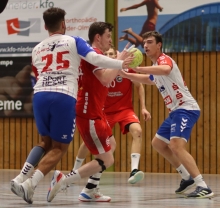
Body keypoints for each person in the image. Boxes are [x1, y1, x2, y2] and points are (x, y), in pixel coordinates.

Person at [10, 7, 133, 204]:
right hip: (63, 95)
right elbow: (94, 59)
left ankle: (20, 179)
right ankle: (31, 184)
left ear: (45, 26)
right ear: (64, 24)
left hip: (40, 95)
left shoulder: (37, 48)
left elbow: (37, 73)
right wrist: (119, 63)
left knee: (45, 142)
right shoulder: (74, 41)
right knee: (59, 148)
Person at [119, 31, 214, 198]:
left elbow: (164, 70)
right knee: (158, 143)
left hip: (186, 109)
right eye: (145, 43)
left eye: (149, 42)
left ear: (159, 45)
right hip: (175, 112)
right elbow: (148, 79)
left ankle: (202, 185)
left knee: (176, 146)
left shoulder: (164, 60)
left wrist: (137, 67)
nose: (146, 46)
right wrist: (125, 73)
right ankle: (186, 177)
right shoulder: (155, 68)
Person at [72, 46, 151, 185]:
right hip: (104, 112)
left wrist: (143, 107)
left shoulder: (125, 69)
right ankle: (75, 169)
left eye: (111, 54)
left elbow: (140, 85)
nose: (109, 56)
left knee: (137, 131)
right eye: (106, 54)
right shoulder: (100, 70)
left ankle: (134, 170)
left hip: (124, 109)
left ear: (117, 55)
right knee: (88, 143)